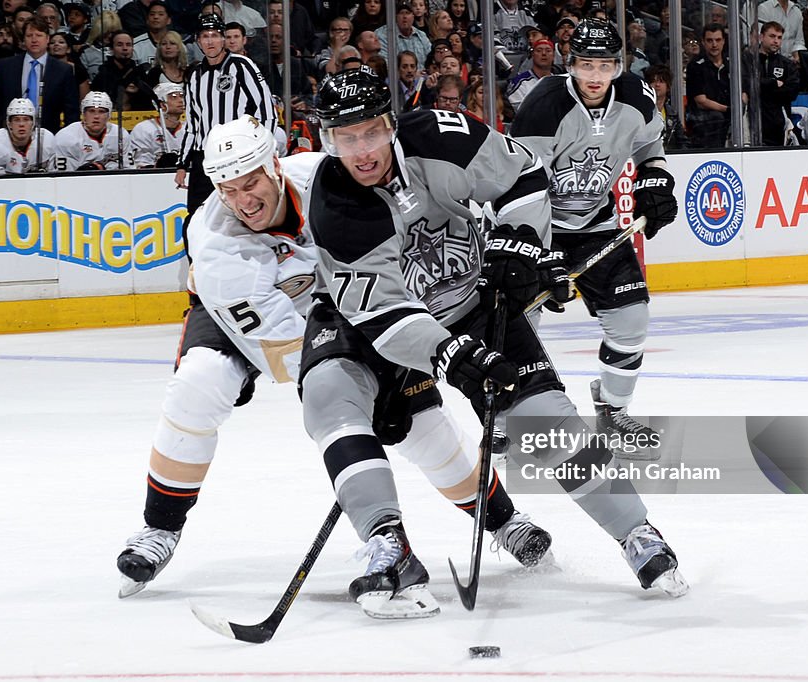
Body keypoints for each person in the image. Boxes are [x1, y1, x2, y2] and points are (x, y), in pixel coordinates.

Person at [302, 66, 688, 617]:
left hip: (474, 304)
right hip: (380, 330)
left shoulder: (442, 137)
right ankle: (386, 542)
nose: (362, 151)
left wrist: (521, 241)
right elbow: (384, 315)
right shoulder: (334, 208)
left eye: (371, 132)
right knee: (336, 406)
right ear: (326, 138)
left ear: (391, 123)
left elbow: (526, 178)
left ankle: (636, 532)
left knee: (549, 422)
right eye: (346, 137)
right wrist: (450, 356)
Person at [116, 114, 552, 600]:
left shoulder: (328, 176)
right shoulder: (219, 248)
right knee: (201, 382)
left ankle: (504, 520)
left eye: (252, 182)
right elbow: (282, 352)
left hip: (357, 311)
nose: (244, 201)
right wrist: (374, 362)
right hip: (243, 325)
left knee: (423, 426)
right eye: (228, 190)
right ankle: (161, 527)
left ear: (274, 166)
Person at [510, 20, 680, 459]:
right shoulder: (543, 107)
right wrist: (537, 252)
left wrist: (654, 180)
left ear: (618, 66)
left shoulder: (638, 97)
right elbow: (519, 184)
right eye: (586, 65)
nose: (594, 76)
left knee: (632, 321)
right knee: (518, 329)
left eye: (604, 66)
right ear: (571, 64)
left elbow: (649, 146)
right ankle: (510, 418)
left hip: (598, 225)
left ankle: (613, 411)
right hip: (536, 224)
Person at [177, 12, 276, 257]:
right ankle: (199, 278)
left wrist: (265, 152)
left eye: (214, 35)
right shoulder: (194, 76)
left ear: (223, 39)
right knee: (196, 220)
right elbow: (192, 124)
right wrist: (182, 163)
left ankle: (255, 268)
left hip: (240, 157)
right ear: (198, 42)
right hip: (205, 161)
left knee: (245, 214)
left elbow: (266, 112)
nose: (209, 41)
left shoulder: (242, 66)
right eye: (204, 36)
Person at [0, 16, 81, 135]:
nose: (34, 40)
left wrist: (69, 140)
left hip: (49, 135)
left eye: (39, 35)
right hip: (9, 135)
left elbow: (71, 111)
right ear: (23, 40)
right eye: (29, 36)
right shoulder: (6, 66)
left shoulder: (63, 70)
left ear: (47, 39)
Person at [745, 21, 800, 147]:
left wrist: (762, 87)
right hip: (752, 120)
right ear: (761, 37)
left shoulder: (787, 64)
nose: (776, 41)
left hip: (777, 123)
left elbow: (792, 92)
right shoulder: (748, 59)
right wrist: (774, 83)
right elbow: (747, 84)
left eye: (779, 37)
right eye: (772, 36)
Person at [55, 90, 132, 170]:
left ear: (109, 115)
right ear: (83, 114)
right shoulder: (66, 137)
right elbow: (64, 176)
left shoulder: (120, 134)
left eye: (101, 111)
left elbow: (129, 171)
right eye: (91, 111)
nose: (96, 116)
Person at [0, 97, 57, 173]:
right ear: (9, 123)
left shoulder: (46, 140)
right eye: (16, 120)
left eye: (26, 119)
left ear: (33, 123)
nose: (21, 124)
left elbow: (54, 178)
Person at [684, 22, 732, 148]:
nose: (714, 45)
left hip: (729, 119)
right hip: (704, 123)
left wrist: (740, 107)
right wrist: (728, 110)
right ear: (703, 42)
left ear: (724, 41)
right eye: (710, 40)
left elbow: (744, 89)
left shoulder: (732, 64)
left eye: (718, 40)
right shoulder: (696, 66)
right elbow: (701, 101)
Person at [130, 82, 184, 167]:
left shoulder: (189, 129)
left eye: (181, 96)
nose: (181, 100)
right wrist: (159, 166)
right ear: (162, 104)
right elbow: (140, 164)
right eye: (173, 97)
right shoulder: (144, 129)